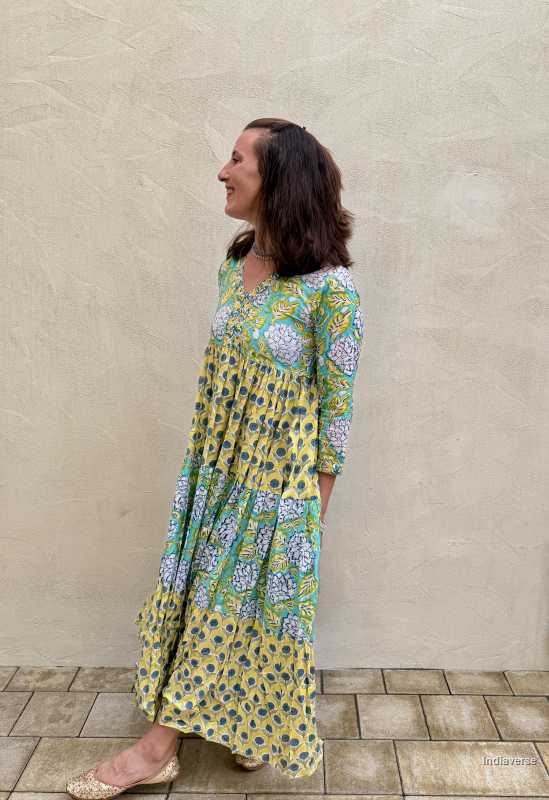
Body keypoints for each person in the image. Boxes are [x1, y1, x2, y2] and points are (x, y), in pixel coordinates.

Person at [66, 118, 365, 798]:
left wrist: (309, 515)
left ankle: (156, 749)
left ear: (277, 179)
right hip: (216, 470)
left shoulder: (331, 291)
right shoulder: (235, 266)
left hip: (278, 484)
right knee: (212, 597)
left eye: (235, 160)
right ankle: (245, 725)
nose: (222, 171)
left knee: (228, 602)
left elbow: (336, 411)